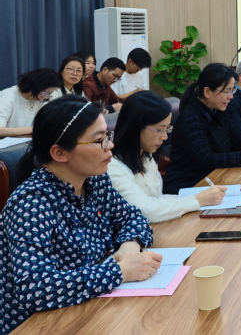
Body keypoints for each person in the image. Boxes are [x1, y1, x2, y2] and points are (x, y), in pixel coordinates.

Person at [0, 95, 163, 334]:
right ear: (59, 153)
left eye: (108, 136)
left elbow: (133, 217)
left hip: (91, 306)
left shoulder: (95, 180)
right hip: (41, 324)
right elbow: (35, 289)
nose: (109, 146)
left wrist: (130, 245)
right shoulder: (31, 204)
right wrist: (119, 271)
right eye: (98, 140)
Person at [163, 63, 241, 194]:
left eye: (233, 90)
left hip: (215, 179)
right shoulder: (190, 117)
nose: (231, 96)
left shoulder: (218, 110)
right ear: (207, 92)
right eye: (227, 91)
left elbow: (235, 139)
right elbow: (206, 159)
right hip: (188, 187)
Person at [108, 91, 227, 223]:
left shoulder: (146, 156)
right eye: (160, 130)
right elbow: (145, 210)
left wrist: (199, 197)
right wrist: (198, 200)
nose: (165, 137)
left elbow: (158, 199)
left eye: (167, 129)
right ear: (135, 127)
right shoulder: (112, 167)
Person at [0, 68, 61, 138]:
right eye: (45, 92)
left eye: (49, 94)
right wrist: (32, 129)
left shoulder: (38, 99)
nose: (45, 96)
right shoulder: (7, 97)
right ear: (37, 85)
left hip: (24, 142)